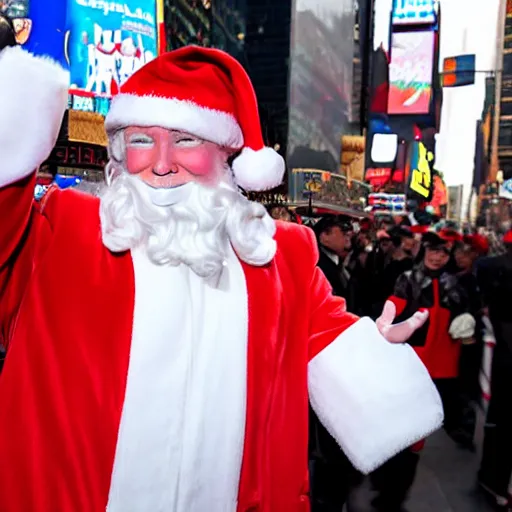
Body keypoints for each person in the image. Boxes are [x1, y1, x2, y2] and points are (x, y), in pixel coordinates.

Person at [0, 41, 442, 512]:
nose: (162, 162)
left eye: (186, 140)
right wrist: (17, 123)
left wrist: (371, 349)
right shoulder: (61, 230)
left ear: (225, 155)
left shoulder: (277, 257)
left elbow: (326, 337)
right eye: (141, 140)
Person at [369, 231, 475, 512]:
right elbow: (393, 308)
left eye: (443, 252)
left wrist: (468, 324)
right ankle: (386, 485)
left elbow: (467, 318)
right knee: (399, 427)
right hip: (410, 363)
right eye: (433, 251)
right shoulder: (408, 279)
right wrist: (385, 322)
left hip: (443, 368)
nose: (438, 257)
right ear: (423, 250)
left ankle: (396, 492)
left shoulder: (457, 283)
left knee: (419, 434)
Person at [477, 230, 512, 509]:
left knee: (500, 424)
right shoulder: (498, 269)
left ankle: (494, 481)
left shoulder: (491, 266)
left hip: (502, 356)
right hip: (505, 355)